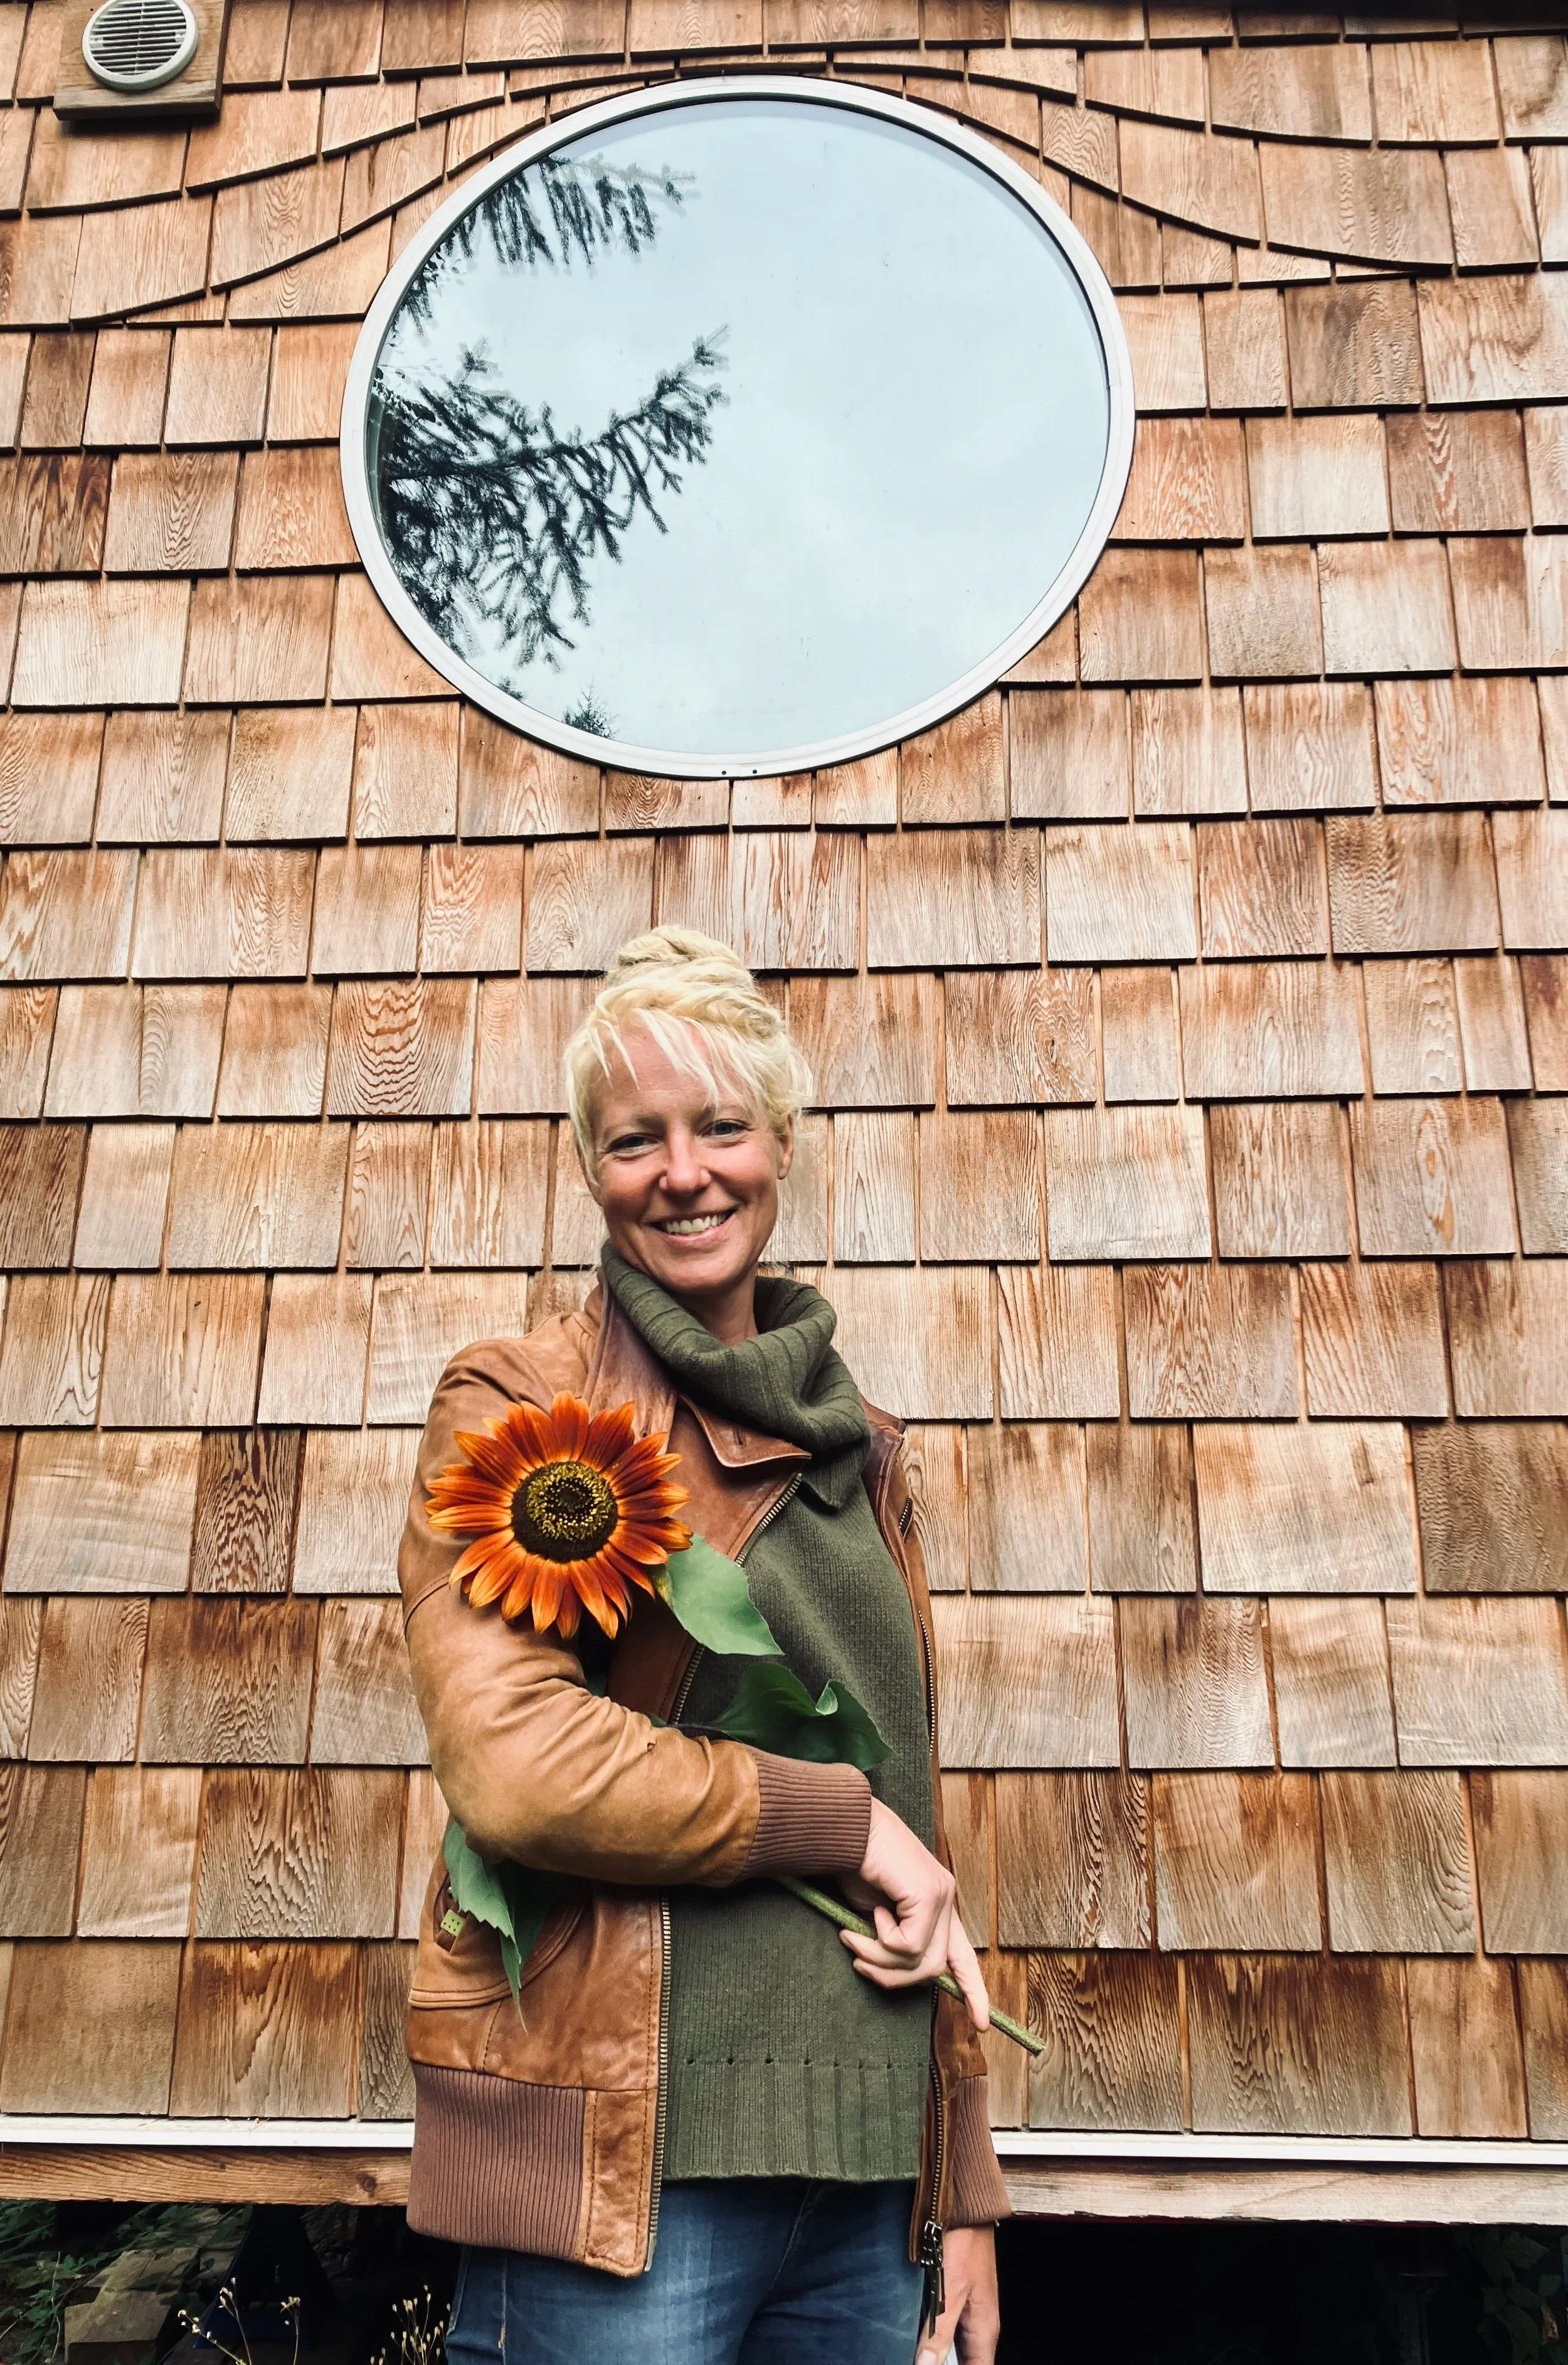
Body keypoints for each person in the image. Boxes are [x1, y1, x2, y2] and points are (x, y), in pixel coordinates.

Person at [398, 927, 1009, 2365]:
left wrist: (960, 2178)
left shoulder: (861, 1448)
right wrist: (834, 1820)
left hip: (864, 2201)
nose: (683, 1172)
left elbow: (911, 1828)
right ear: (589, 1168)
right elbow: (515, 1760)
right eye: (635, 1139)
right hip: (627, 2194)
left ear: (780, 1143)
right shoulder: (527, 1412)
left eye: (721, 1126)